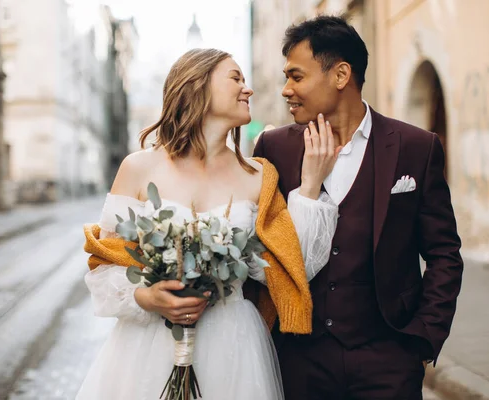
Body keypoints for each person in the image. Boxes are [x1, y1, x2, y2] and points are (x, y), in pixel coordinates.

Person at [77, 48, 340, 400]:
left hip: (233, 346)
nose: (248, 90)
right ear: (197, 86)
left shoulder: (259, 175)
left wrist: (310, 185)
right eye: (236, 79)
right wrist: (147, 296)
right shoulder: (139, 167)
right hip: (147, 349)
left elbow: (292, 268)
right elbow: (103, 268)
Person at [253, 15, 464, 399]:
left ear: (340, 75)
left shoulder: (416, 146)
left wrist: (423, 339)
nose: (286, 90)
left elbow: (444, 253)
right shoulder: (274, 149)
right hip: (300, 358)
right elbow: (261, 248)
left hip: (389, 357)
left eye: (296, 76)